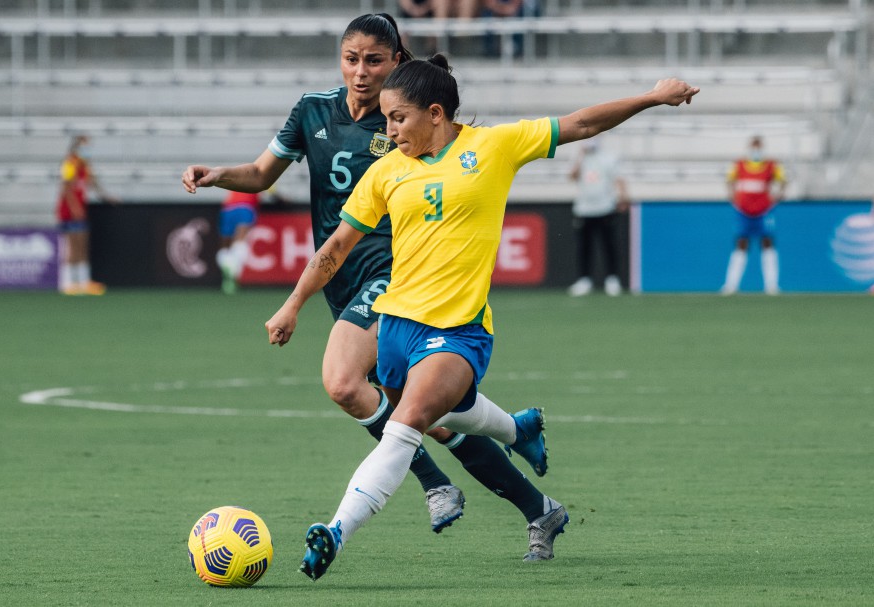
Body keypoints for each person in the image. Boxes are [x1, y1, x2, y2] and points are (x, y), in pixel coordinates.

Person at [264, 56, 698, 580]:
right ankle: (521, 444)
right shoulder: (386, 171)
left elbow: (581, 124)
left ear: (435, 113)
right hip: (395, 327)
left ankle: (336, 532)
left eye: (398, 118)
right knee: (445, 416)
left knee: (407, 423)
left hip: (459, 329)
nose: (388, 130)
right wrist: (293, 303)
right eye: (386, 119)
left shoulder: (493, 146)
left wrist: (651, 97)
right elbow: (337, 246)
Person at [183, 14, 566, 558]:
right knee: (433, 417)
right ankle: (533, 494)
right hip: (340, 276)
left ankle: (427, 488)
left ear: (397, 63)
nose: (360, 72)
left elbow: (454, 160)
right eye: (351, 59)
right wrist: (217, 174)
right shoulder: (313, 110)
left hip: (391, 276)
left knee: (346, 384)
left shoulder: (402, 131)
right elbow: (263, 174)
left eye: (374, 61)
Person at [721, 135, 787, 295]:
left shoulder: (771, 165)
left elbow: (783, 180)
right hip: (743, 211)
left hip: (764, 211)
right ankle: (731, 285)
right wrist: (732, 196)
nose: (756, 150)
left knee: (767, 243)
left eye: (758, 146)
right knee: (741, 243)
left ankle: (771, 286)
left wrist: (778, 195)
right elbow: (729, 180)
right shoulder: (739, 165)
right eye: (754, 146)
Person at [566, 137, 630, 297]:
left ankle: (612, 279)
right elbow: (572, 176)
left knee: (609, 246)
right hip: (583, 209)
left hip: (605, 207)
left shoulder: (608, 158)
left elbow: (618, 178)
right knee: (584, 247)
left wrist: (623, 197)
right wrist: (580, 156)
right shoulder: (578, 157)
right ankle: (584, 280)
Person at [56, 134, 118, 295]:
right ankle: (68, 282)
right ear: (77, 147)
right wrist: (75, 208)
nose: (87, 149)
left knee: (83, 245)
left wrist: (106, 197)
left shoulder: (85, 165)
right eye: (85, 146)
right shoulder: (70, 164)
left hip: (80, 209)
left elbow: (93, 183)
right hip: (69, 211)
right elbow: (66, 188)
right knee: (74, 246)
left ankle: (83, 282)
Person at [217, 189, 260, 294]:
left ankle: (227, 268)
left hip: (228, 207)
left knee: (225, 245)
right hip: (245, 206)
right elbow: (271, 189)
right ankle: (234, 273)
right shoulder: (258, 177)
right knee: (241, 240)